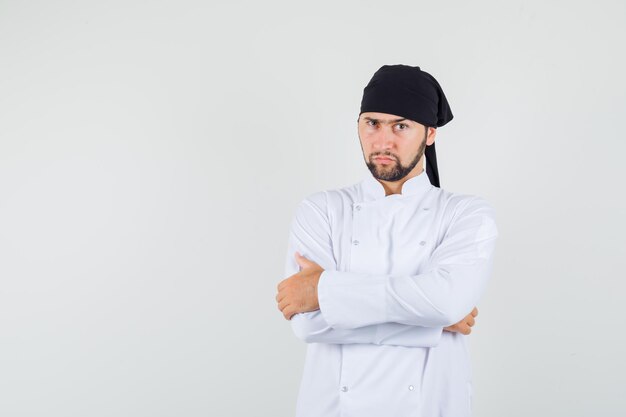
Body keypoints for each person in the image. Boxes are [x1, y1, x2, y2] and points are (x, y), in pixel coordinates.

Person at [275, 64, 499, 417]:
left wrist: (325, 291)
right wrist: (433, 322)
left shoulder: (466, 214)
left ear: (430, 134)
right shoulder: (322, 210)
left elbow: (445, 302)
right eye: (372, 123)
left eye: (401, 126)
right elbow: (308, 323)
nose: (382, 141)